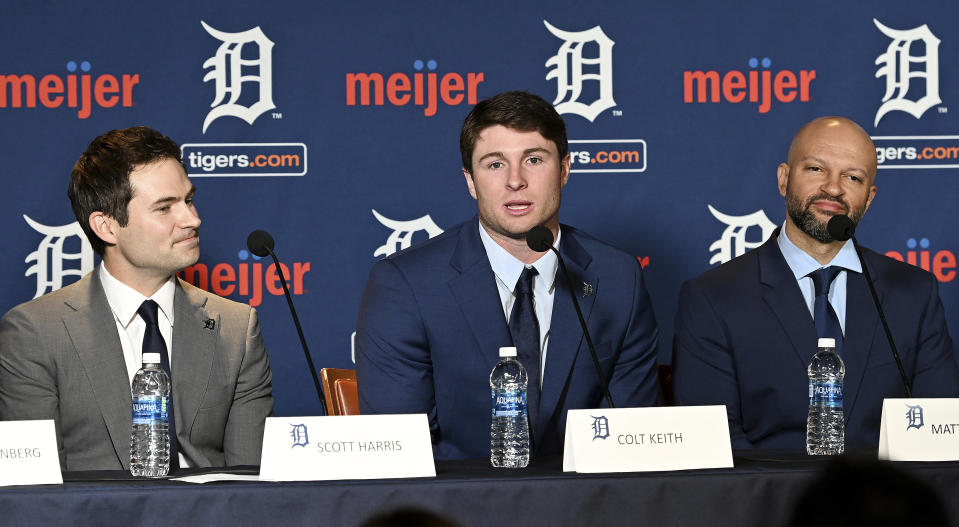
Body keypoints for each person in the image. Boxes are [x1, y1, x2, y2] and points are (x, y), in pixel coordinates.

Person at [355, 91, 659, 460]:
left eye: (533, 159)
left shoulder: (619, 278)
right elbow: (397, 452)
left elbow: (633, 443)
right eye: (495, 164)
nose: (516, 181)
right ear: (470, 180)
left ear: (564, 169)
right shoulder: (406, 284)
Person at [673, 116, 959, 450]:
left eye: (852, 177)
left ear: (869, 198)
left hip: (888, 499)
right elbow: (716, 445)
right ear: (784, 179)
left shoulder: (913, 292)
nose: (834, 188)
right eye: (816, 169)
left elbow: (939, 435)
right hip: (766, 498)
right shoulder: (713, 297)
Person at [0, 126, 274, 471]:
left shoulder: (236, 328)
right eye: (164, 208)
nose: (192, 219)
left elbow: (253, 483)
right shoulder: (35, 333)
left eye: (188, 200)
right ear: (107, 226)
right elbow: (35, 490)